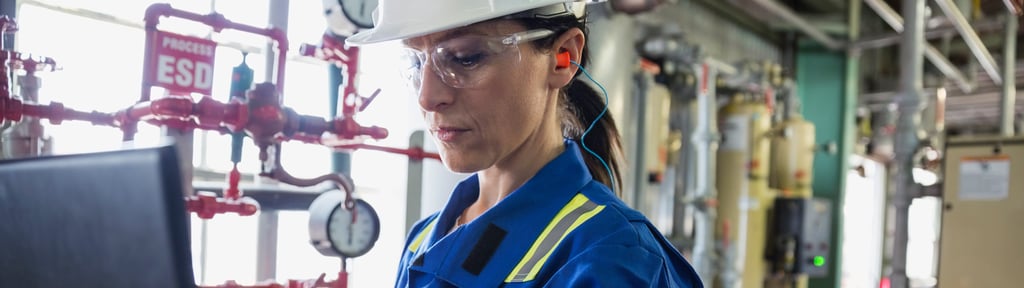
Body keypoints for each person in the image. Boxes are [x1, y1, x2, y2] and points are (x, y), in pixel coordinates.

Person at [346, 0, 703, 286]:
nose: (427, 96)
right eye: (416, 60)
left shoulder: (611, 258)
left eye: (465, 58)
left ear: (565, 57)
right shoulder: (424, 240)